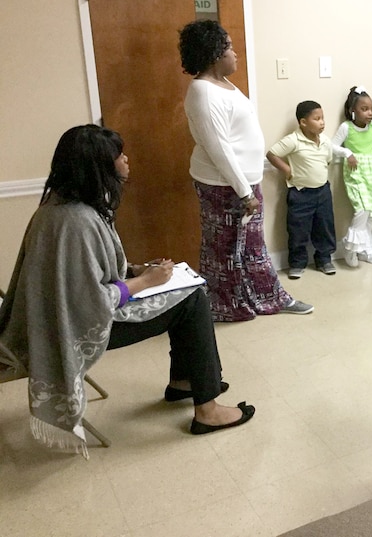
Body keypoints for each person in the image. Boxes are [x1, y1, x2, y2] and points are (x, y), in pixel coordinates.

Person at [0, 126, 256, 456]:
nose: (126, 160)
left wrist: (135, 271)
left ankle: (184, 383)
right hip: (72, 330)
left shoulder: (62, 206)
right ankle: (207, 410)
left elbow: (87, 275)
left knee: (188, 292)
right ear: (99, 167)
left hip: (56, 321)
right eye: (120, 155)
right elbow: (90, 302)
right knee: (192, 299)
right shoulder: (76, 221)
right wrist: (147, 281)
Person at [179, 19, 312, 320]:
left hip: (242, 183)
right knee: (224, 251)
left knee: (249, 248)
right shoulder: (202, 91)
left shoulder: (222, 84)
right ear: (215, 53)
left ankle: (260, 299)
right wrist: (244, 192)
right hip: (224, 186)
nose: (234, 53)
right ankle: (230, 306)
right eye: (228, 47)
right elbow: (218, 148)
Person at [267, 101, 351, 278]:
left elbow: (327, 160)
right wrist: (288, 170)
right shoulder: (293, 140)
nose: (322, 122)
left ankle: (324, 259)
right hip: (300, 193)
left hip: (323, 192)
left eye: (323, 118)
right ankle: (297, 263)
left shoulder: (326, 141)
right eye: (317, 118)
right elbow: (272, 154)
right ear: (303, 122)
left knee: (325, 227)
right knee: (298, 229)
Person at [331, 86, 372, 267]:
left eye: (371, 109)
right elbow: (333, 146)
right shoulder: (346, 127)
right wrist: (348, 152)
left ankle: (367, 250)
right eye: (364, 109)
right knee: (361, 210)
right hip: (355, 173)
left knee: (369, 214)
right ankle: (351, 248)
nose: (369, 113)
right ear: (352, 110)